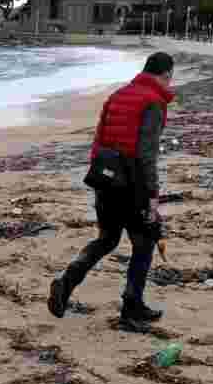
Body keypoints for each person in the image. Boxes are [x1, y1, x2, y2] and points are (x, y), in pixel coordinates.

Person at [48, 51, 176, 325]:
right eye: (169, 80)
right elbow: (146, 156)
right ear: (166, 76)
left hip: (105, 180)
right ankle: (132, 306)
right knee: (144, 243)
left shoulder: (117, 95)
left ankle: (65, 283)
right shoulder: (153, 103)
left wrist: (101, 179)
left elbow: (98, 143)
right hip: (132, 185)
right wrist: (152, 197)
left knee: (106, 239)